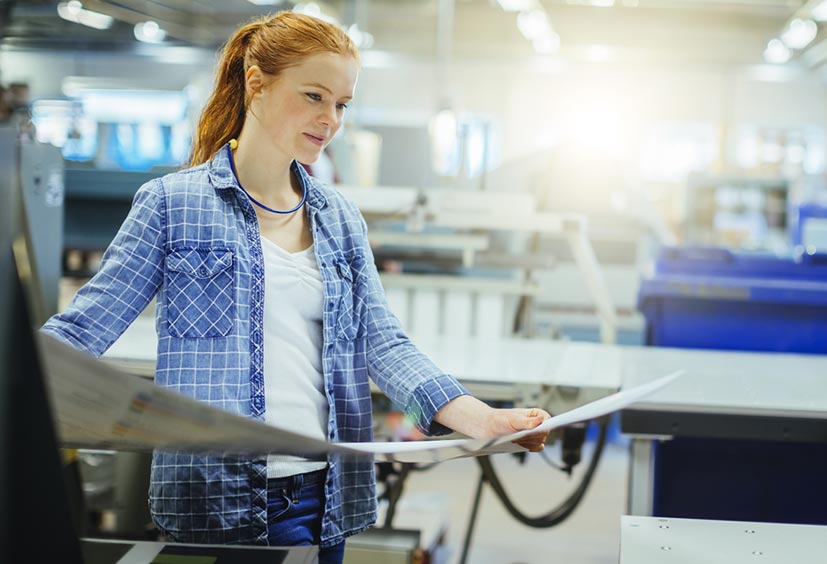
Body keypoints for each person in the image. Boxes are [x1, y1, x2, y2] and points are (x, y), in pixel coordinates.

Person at [41, 11, 549, 564]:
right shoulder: (173, 204)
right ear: (256, 83)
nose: (330, 119)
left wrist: (485, 420)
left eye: (342, 104)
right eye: (314, 96)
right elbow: (84, 326)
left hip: (324, 497)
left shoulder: (339, 218)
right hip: (215, 499)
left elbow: (383, 343)